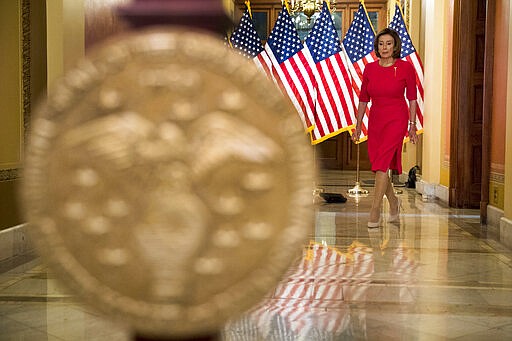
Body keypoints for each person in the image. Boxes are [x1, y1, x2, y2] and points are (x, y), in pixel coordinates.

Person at [352, 28, 419, 228]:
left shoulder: (406, 68)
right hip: (376, 120)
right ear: (377, 46)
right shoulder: (370, 69)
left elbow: (412, 98)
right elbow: (364, 99)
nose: (385, 47)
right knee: (378, 166)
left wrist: (412, 125)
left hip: (397, 119)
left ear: (395, 46)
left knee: (382, 164)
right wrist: (357, 126)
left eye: (389, 43)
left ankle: (374, 210)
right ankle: (394, 201)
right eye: (381, 44)